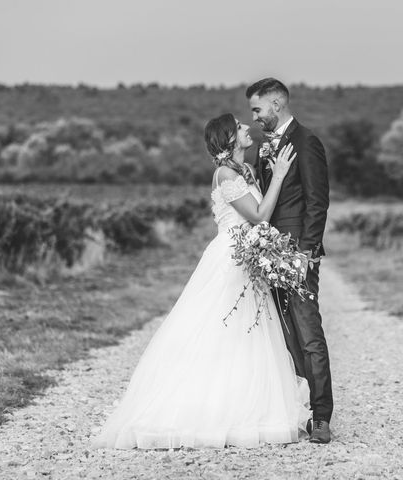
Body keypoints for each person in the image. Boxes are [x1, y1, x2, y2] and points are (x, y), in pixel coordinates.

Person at [92, 113, 311, 450]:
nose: (246, 128)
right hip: (232, 257)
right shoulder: (225, 174)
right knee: (223, 327)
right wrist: (279, 176)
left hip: (246, 252)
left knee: (246, 331)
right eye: (239, 127)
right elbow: (259, 215)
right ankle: (208, 410)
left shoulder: (242, 170)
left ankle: (245, 403)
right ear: (229, 139)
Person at [246, 78, 333, 444]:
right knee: (284, 333)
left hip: (299, 252)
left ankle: (323, 416)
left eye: (257, 109)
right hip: (271, 254)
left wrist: (308, 251)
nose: (254, 117)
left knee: (308, 331)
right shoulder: (263, 150)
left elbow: (317, 201)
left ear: (277, 103)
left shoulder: (306, 142)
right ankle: (299, 409)